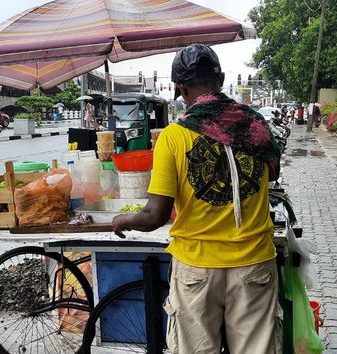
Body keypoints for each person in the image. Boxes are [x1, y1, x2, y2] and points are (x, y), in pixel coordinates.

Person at [111, 44, 282, 353]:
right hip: (254, 263)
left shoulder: (174, 137)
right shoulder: (256, 127)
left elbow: (155, 216)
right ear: (222, 78)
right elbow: (271, 177)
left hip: (196, 269)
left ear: (180, 89)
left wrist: (122, 219)